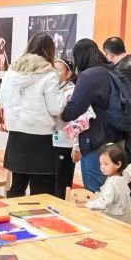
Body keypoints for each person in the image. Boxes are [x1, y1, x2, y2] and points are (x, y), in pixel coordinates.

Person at [0, 33, 66, 197]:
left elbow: (1, 101)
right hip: (40, 139)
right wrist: (65, 99)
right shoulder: (49, 74)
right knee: (41, 193)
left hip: (16, 135)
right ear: (50, 50)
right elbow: (56, 108)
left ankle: (13, 214)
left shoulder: (11, 71)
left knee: (17, 188)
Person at [61, 40, 120, 192]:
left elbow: (74, 109)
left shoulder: (89, 75)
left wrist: (60, 112)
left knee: (94, 191)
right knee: (110, 190)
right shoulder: (111, 71)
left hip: (95, 139)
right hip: (116, 139)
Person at [103, 37, 131, 162]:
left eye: (106, 54)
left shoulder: (123, 69)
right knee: (130, 152)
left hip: (125, 117)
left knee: (124, 156)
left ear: (110, 54)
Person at [84, 142, 131, 224]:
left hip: (113, 216)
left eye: (106, 164)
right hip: (124, 212)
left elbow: (104, 201)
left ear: (118, 164)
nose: (102, 167)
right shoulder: (123, 175)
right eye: (100, 164)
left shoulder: (112, 184)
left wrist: (87, 205)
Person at [52, 58, 77, 199]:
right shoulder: (52, 89)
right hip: (50, 141)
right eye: (53, 69)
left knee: (61, 185)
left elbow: (70, 118)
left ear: (68, 74)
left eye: (58, 70)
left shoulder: (72, 91)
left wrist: (76, 146)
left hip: (64, 143)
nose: (54, 73)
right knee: (49, 182)